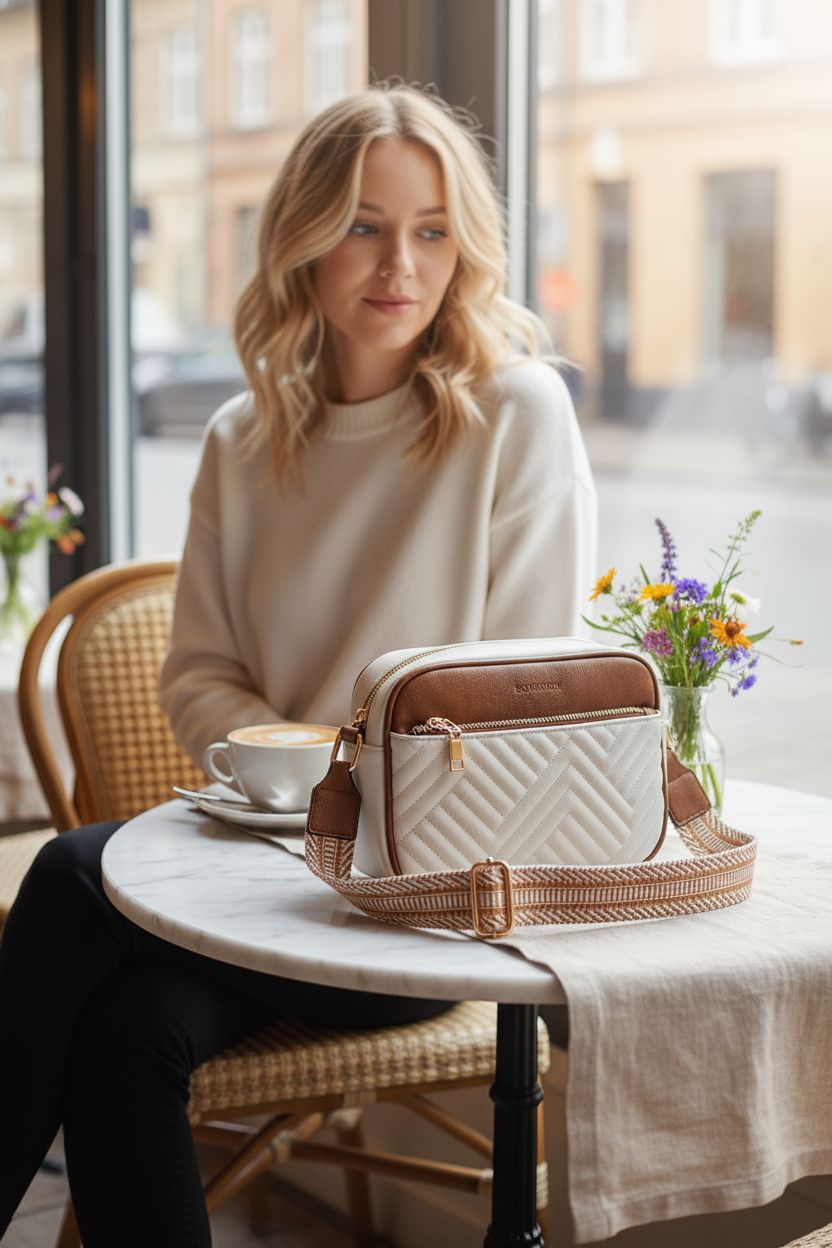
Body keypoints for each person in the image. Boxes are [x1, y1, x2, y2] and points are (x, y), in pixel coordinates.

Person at [0, 83, 596, 1247]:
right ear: (302, 240)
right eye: (365, 224)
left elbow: (515, 719)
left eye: (431, 230)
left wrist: (316, 779)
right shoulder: (240, 438)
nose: (400, 264)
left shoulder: (515, 416)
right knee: (132, 1031)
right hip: (267, 876)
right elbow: (199, 677)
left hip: (417, 901)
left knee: (69, 881)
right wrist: (299, 783)